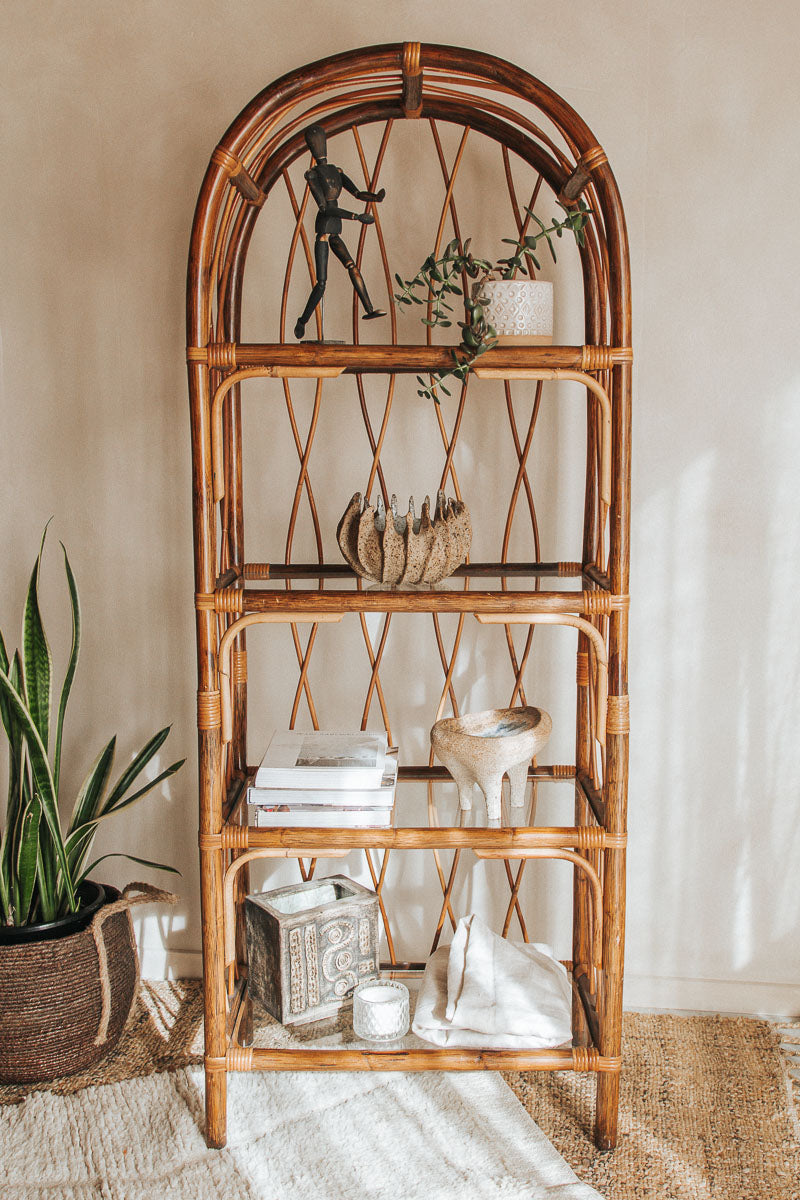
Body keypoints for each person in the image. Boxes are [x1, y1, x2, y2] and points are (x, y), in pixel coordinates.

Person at [294, 124, 387, 340]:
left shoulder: (336, 171)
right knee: (322, 283)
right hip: (325, 228)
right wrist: (356, 217)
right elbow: (325, 208)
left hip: (335, 228)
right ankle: (303, 320)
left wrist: (374, 197)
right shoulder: (312, 175)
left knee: (351, 266)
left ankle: (369, 309)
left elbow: (356, 192)